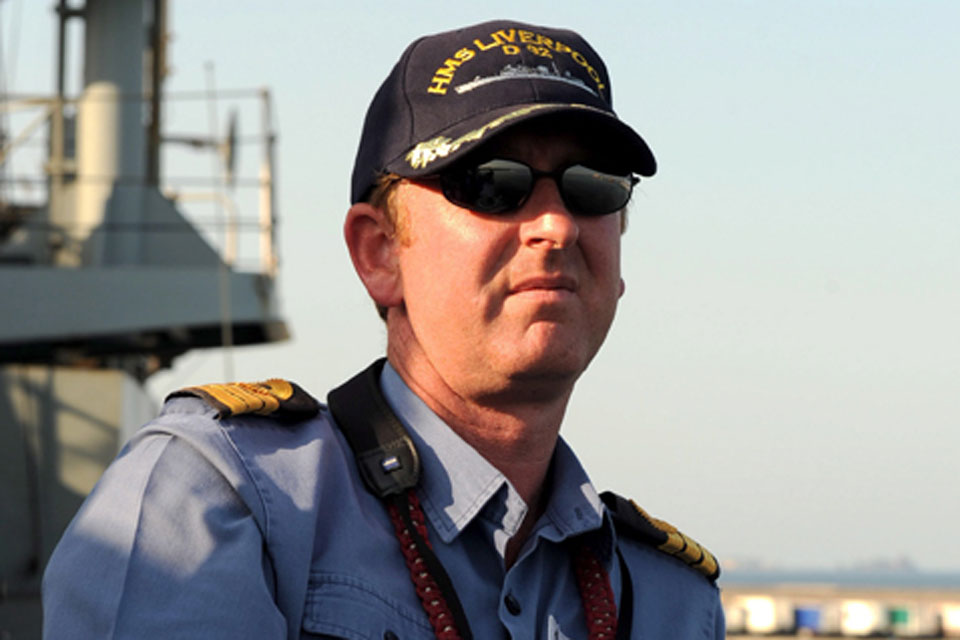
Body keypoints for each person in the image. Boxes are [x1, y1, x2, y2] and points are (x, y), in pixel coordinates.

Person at [43, 19, 724, 640]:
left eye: (593, 186)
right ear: (380, 254)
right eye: (493, 183)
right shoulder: (219, 502)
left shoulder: (670, 601)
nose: (556, 226)